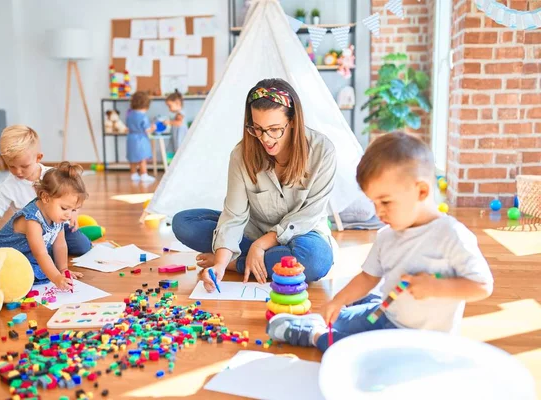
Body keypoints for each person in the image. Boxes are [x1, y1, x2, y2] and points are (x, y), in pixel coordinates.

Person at [266, 132, 494, 351]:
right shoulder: (387, 235)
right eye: (374, 203)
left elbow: (482, 286)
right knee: (345, 318)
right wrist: (337, 301)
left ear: (422, 191)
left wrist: (437, 287)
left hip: (421, 344)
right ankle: (322, 321)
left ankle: (315, 335)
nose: (378, 212)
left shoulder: (451, 235)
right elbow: (368, 276)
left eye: (385, 202)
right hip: (384, 313)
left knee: (349, 350)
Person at [172, 78, 337, 291]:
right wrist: (220, 265)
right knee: (184, 223)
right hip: (253, 229)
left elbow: (307, 217)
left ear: (294, 121)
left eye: (275, 129)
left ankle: (240, 262)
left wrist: (259, 246)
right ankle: (253, 259)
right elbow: (234, 215)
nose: (265, 139)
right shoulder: (241, 155)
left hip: (302, 234)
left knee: (315, 261)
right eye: (257, 129)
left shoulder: (322, 151)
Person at [0, 162, 88, 291]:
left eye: (74, 210)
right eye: (65, 208)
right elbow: (40, 253)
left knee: (38, 269)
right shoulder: (32, 220)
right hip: (0, 255)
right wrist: (57, 278)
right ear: (46, 198)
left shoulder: (57, 216)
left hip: (26, 256)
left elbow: (60, 244)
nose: (69, 215)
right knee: (17, 277)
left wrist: (63, 270)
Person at [0, 125, 91, 255]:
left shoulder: (53, 175)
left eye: (24, 166)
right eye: (11, 166)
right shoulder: (7, 186)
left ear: (38, 158)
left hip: (58, 225)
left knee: (82, 246)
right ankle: (47, 253)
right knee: (24, 255)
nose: (18, 172)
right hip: (29, 234)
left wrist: (74, 212)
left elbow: (73, 194)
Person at [127, 91, 156, 182]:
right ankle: (144, 174)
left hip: (131, 137)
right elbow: (147, 129)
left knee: (133, 157)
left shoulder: (129, 114)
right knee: (142, 157)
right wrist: (153, 127)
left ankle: (133, 174)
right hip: (140, 138)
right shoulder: (143, 116)